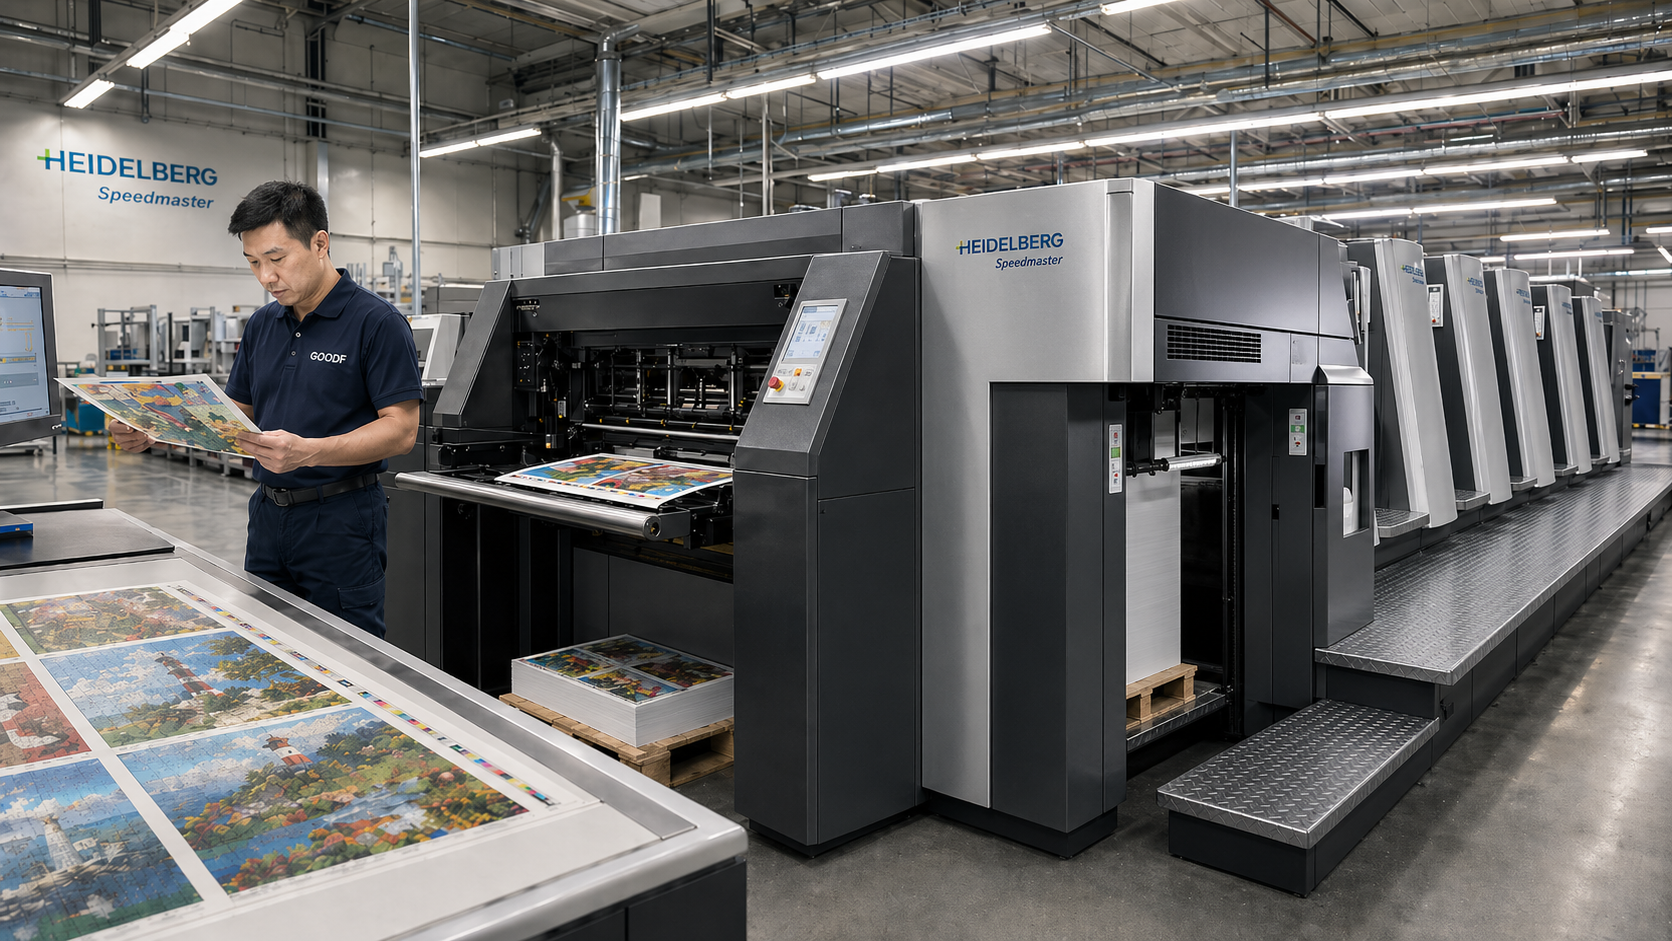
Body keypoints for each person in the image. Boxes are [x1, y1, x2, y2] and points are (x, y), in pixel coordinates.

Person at [110, 181, 421, 638]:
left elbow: (402, 430)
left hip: (342, 518)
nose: (266, 277)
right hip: (268, 513)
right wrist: (155, 427)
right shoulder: (262, 324)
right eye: (254, 262)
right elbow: (235, 411)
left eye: (276, 259)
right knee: (265, 640)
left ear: (320, 244)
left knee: (346, 650)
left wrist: (309, 451)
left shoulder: (377, 322)